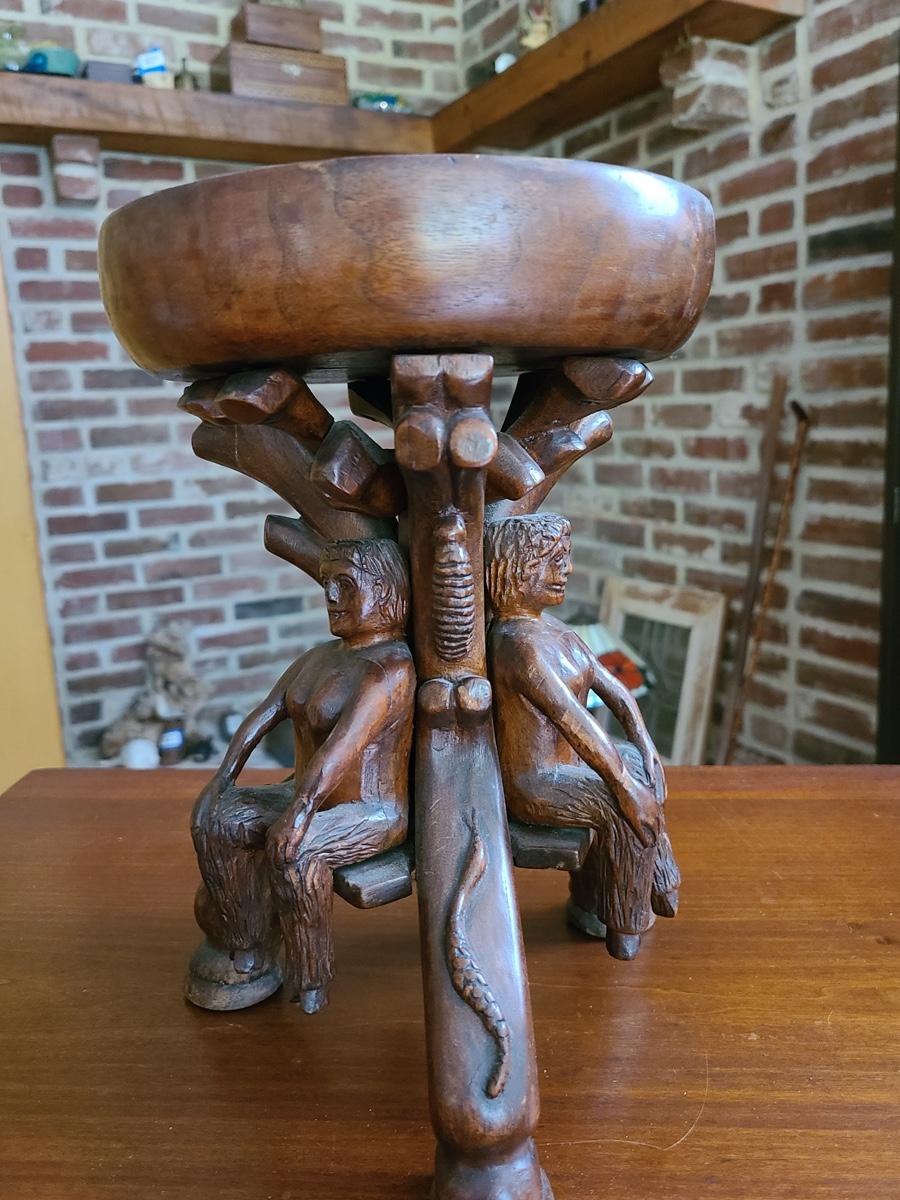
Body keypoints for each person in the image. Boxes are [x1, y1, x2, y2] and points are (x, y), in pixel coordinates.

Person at [190, 538, 414, 1012]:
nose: (331, 596)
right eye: (327, 584)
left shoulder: (390, 669)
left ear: (385, 591)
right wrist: (221, 781)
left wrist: (300, 812)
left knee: (294, 851)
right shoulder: (319, 657)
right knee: (218, 820)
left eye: (345, 584)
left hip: (368, 811)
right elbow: (263, 715)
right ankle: (246, 941)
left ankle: (311, 975)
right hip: (305, 793)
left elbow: (342, 748)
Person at [484, 513, 680, 959]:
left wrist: (645, 745)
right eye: (554, 560)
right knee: (622, 804)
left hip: (568, 765)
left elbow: (615, 690)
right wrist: (624, 786)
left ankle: (643, 882)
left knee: (637, 767)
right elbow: (572, 719)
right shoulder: (516, 644)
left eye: (565, 558)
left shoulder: (559, 633)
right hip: (536, 783)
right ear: (518, 569)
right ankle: (625, 924)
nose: (567, 569)